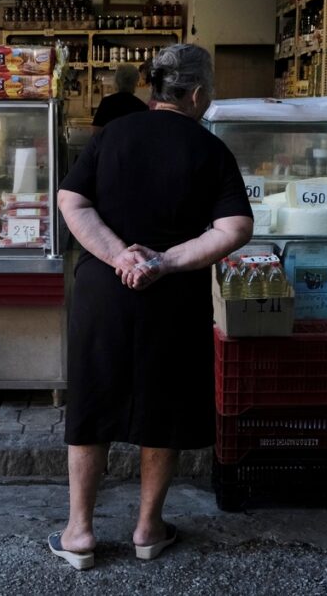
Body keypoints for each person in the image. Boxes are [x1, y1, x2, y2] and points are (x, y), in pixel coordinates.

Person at [51, 44, 254, 570]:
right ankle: (147, 529)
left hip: (104, 291)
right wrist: (160, 262)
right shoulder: (210, 149)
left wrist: (121, 257)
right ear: (198, 94)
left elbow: (71, 201)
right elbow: (235, 228)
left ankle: (79, 534)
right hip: (173, 296)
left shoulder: (113, 134)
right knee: (162, 407)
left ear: (155, 90)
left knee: (93, 404)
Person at [90, 63, 148, 133]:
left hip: (110, 143)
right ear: (135, 82)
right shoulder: (142, 107)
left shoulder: (107, 103)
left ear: (116, 81)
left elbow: (95, 131)